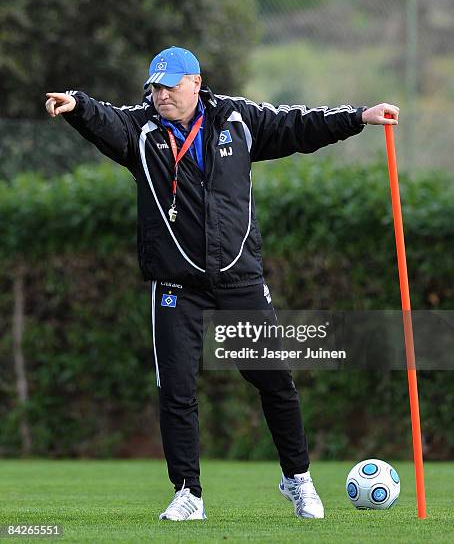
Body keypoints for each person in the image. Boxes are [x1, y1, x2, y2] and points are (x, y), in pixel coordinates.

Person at [45, 46, 399, 522]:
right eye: (155, 86)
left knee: (274, 382)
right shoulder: (141, 130)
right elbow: (105, 119)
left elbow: (299, 125)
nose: (162, 94)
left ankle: (299, 480)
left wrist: (358, 117)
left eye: (170, 85)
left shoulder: (238, 119)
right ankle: (188, 493)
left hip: (239, 280)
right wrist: (77, 104)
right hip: (177, 285)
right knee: (176, 388)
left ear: (196, 82)